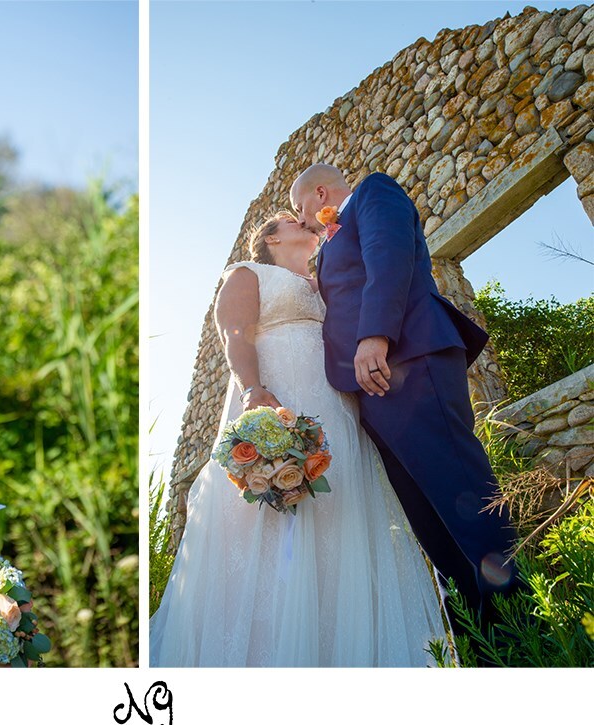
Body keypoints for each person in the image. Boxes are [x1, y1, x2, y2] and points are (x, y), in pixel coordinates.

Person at [150, 211, 447, 667]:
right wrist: (253, 390)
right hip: (277, 397)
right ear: (270, 237)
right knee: (269, 524)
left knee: (341, 512)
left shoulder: (326, 281)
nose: (305, 221)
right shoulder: (250, 274)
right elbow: (234, 332)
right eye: (292, 219)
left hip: (335, 410)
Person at [288, 164, 520, 654]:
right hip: (371, 387)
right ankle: (487, 650)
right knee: (429, 521)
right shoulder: (329, 245)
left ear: (322, 193)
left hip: (406, 357)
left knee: (462, 491)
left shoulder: (373, 193)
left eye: (301, 209)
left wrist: (375, 335)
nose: (305, 221)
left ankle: (526, 634)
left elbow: (388, 256)